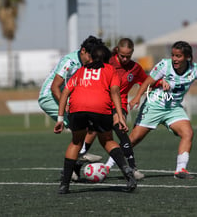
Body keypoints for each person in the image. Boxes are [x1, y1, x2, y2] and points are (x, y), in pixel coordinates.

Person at [129, 40, 197, 179]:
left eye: (178, 56)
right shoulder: (164, 65)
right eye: (173, 55)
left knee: (188, 133)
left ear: (187, 57)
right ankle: (107, 165)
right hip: (154, 106)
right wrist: (137, 97)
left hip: (173, 109)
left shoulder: (194, 70)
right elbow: (148, 82)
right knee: (134, 139)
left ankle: (180, 170)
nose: (174, 59)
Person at [54, 45, 136, 194]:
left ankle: (64, 185)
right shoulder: (110, 70)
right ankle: (128, 173)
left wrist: (60, 118)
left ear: (91, 57)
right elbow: (115, 92)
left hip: (77, 108)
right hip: (100, 108)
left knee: (76, 142)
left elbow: (65, 92)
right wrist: (120, 116)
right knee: (107, 140)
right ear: (107, 59)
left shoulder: (81, 71)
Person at [38, 35, 104, 168]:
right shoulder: (70, 62)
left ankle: (77, 159)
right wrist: (67, 106)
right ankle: (77, 158)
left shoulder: (87, 63)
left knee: (92, 123)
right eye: (90, 57)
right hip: (49, 97)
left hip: (66, 97)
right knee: (82, 126)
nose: (91, 60)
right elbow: (55, 87)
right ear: (83, 51)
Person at [102, 38, 148, 180]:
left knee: (121, 131)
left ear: (132, 52)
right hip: (101, 103)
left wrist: (161, 82)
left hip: (120, 104)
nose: (125, 59)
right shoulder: (107, 62)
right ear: (117, 50)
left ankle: (132, 168)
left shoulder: (135, 68)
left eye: (128, 56)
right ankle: (75, 169)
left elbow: (147, 81)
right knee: (91, 134)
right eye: (122, 56)